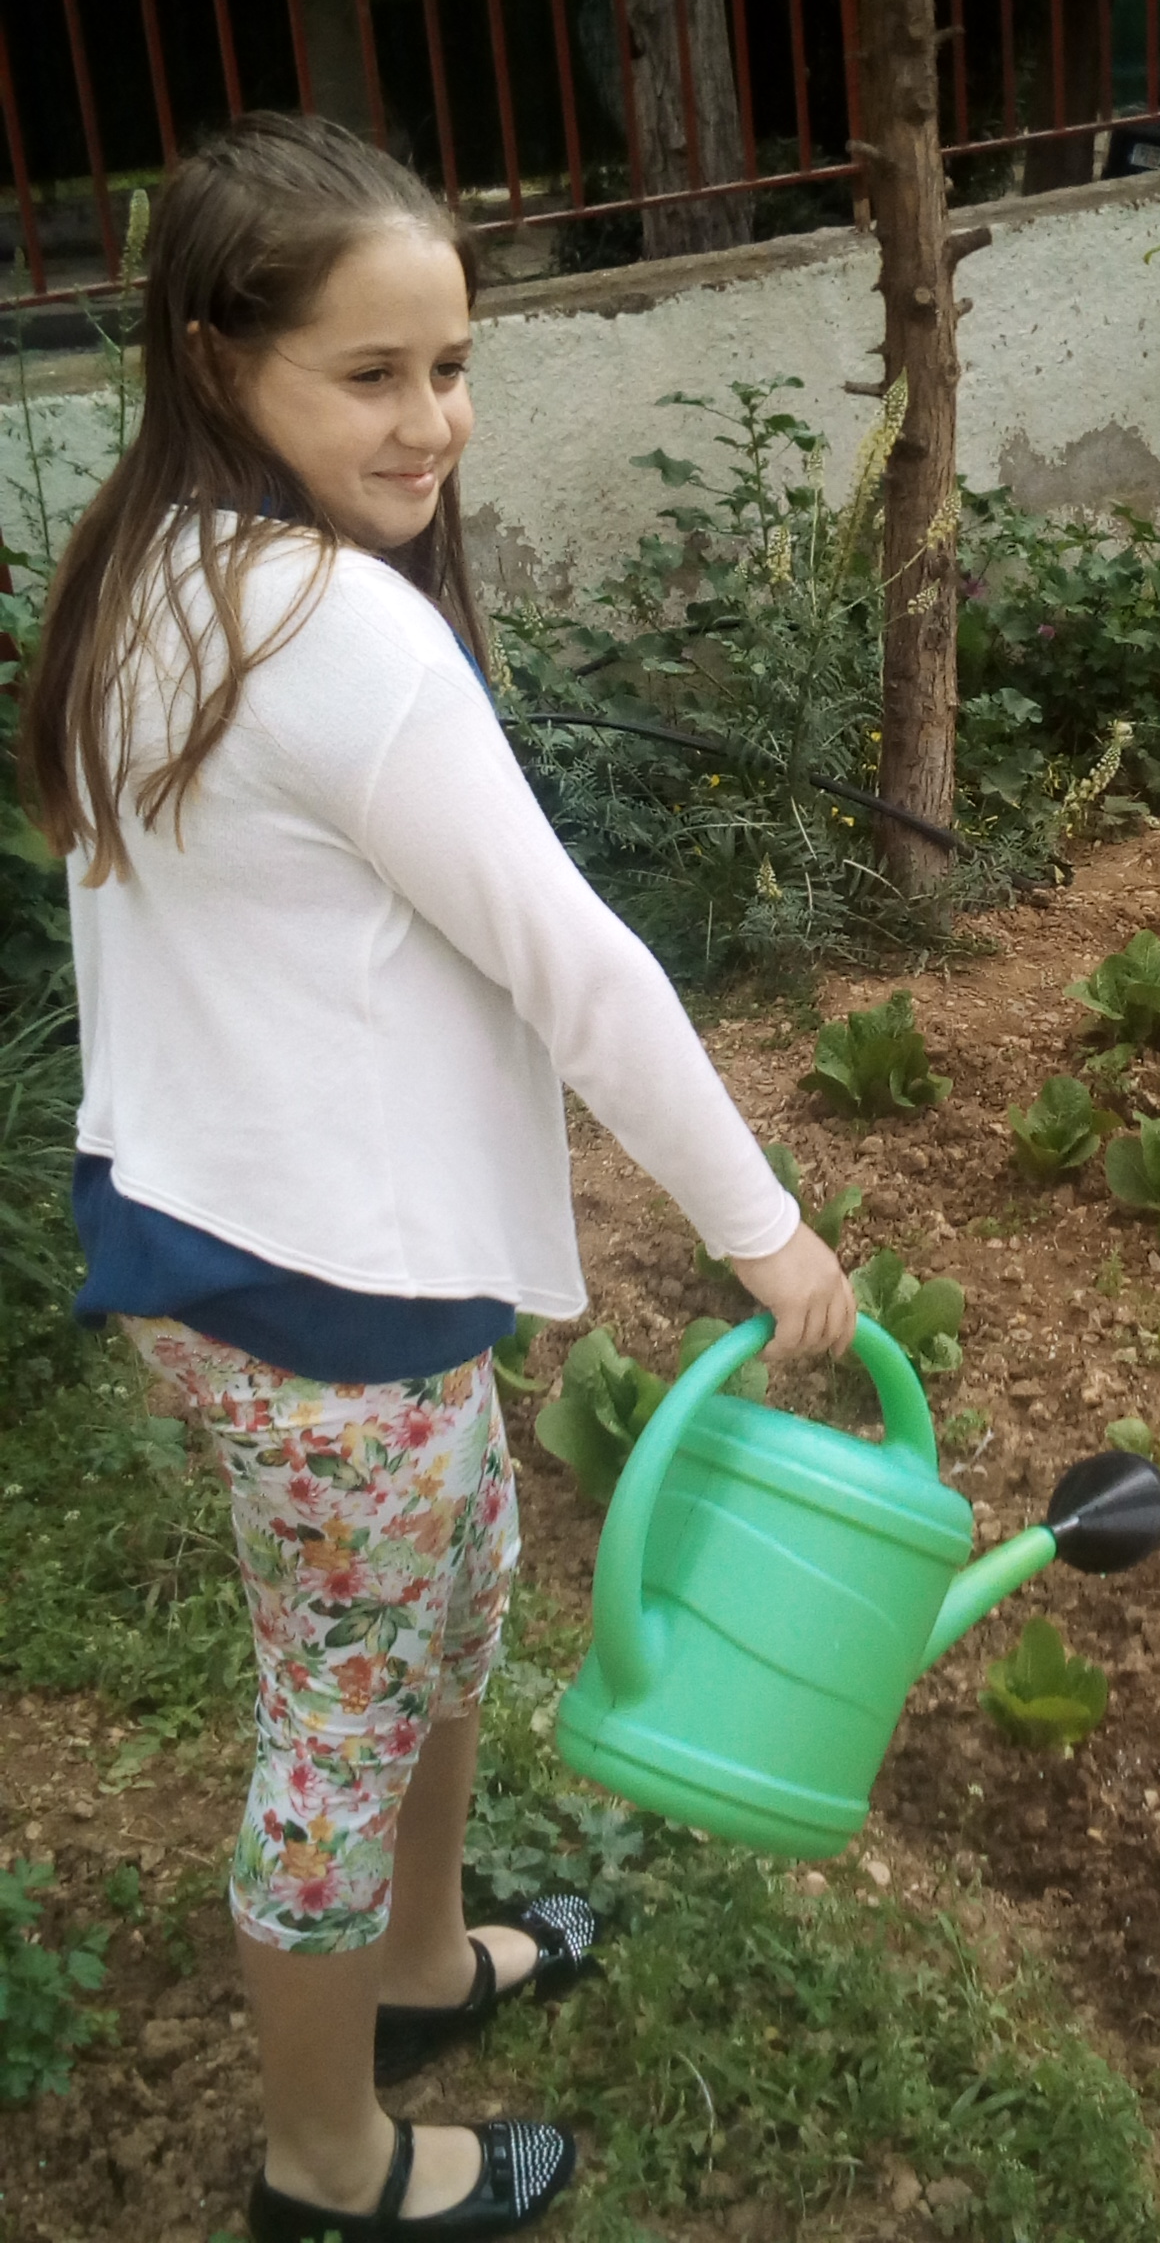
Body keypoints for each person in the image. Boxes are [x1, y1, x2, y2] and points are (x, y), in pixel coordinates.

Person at [19, 113, 856, 2243]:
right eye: (371, 374)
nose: (432, 422)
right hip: (324, 1291)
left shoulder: (149, 569)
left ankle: (413, 1958)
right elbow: (579, 963)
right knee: (341, 1712)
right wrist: (764, 1231)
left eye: (454, 364)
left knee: (455, 1593)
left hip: (245, 1245)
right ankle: (326, 2159)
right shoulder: (337, 632)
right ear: (221, 362)